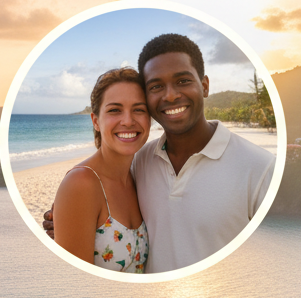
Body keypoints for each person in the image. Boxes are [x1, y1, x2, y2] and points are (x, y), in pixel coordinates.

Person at [45, 33, 275, 273]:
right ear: (95, 121)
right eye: (156, 86)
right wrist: (64, 218)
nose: (170, 95)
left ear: (205, 85)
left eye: (183, 81)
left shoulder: (260, 168)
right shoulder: (142, 161)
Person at [52, 67, 150, 273]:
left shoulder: (140, 173)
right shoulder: (82, 183)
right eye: (115, 110)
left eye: (139, 109)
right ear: (96, 121)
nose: (128, 120)